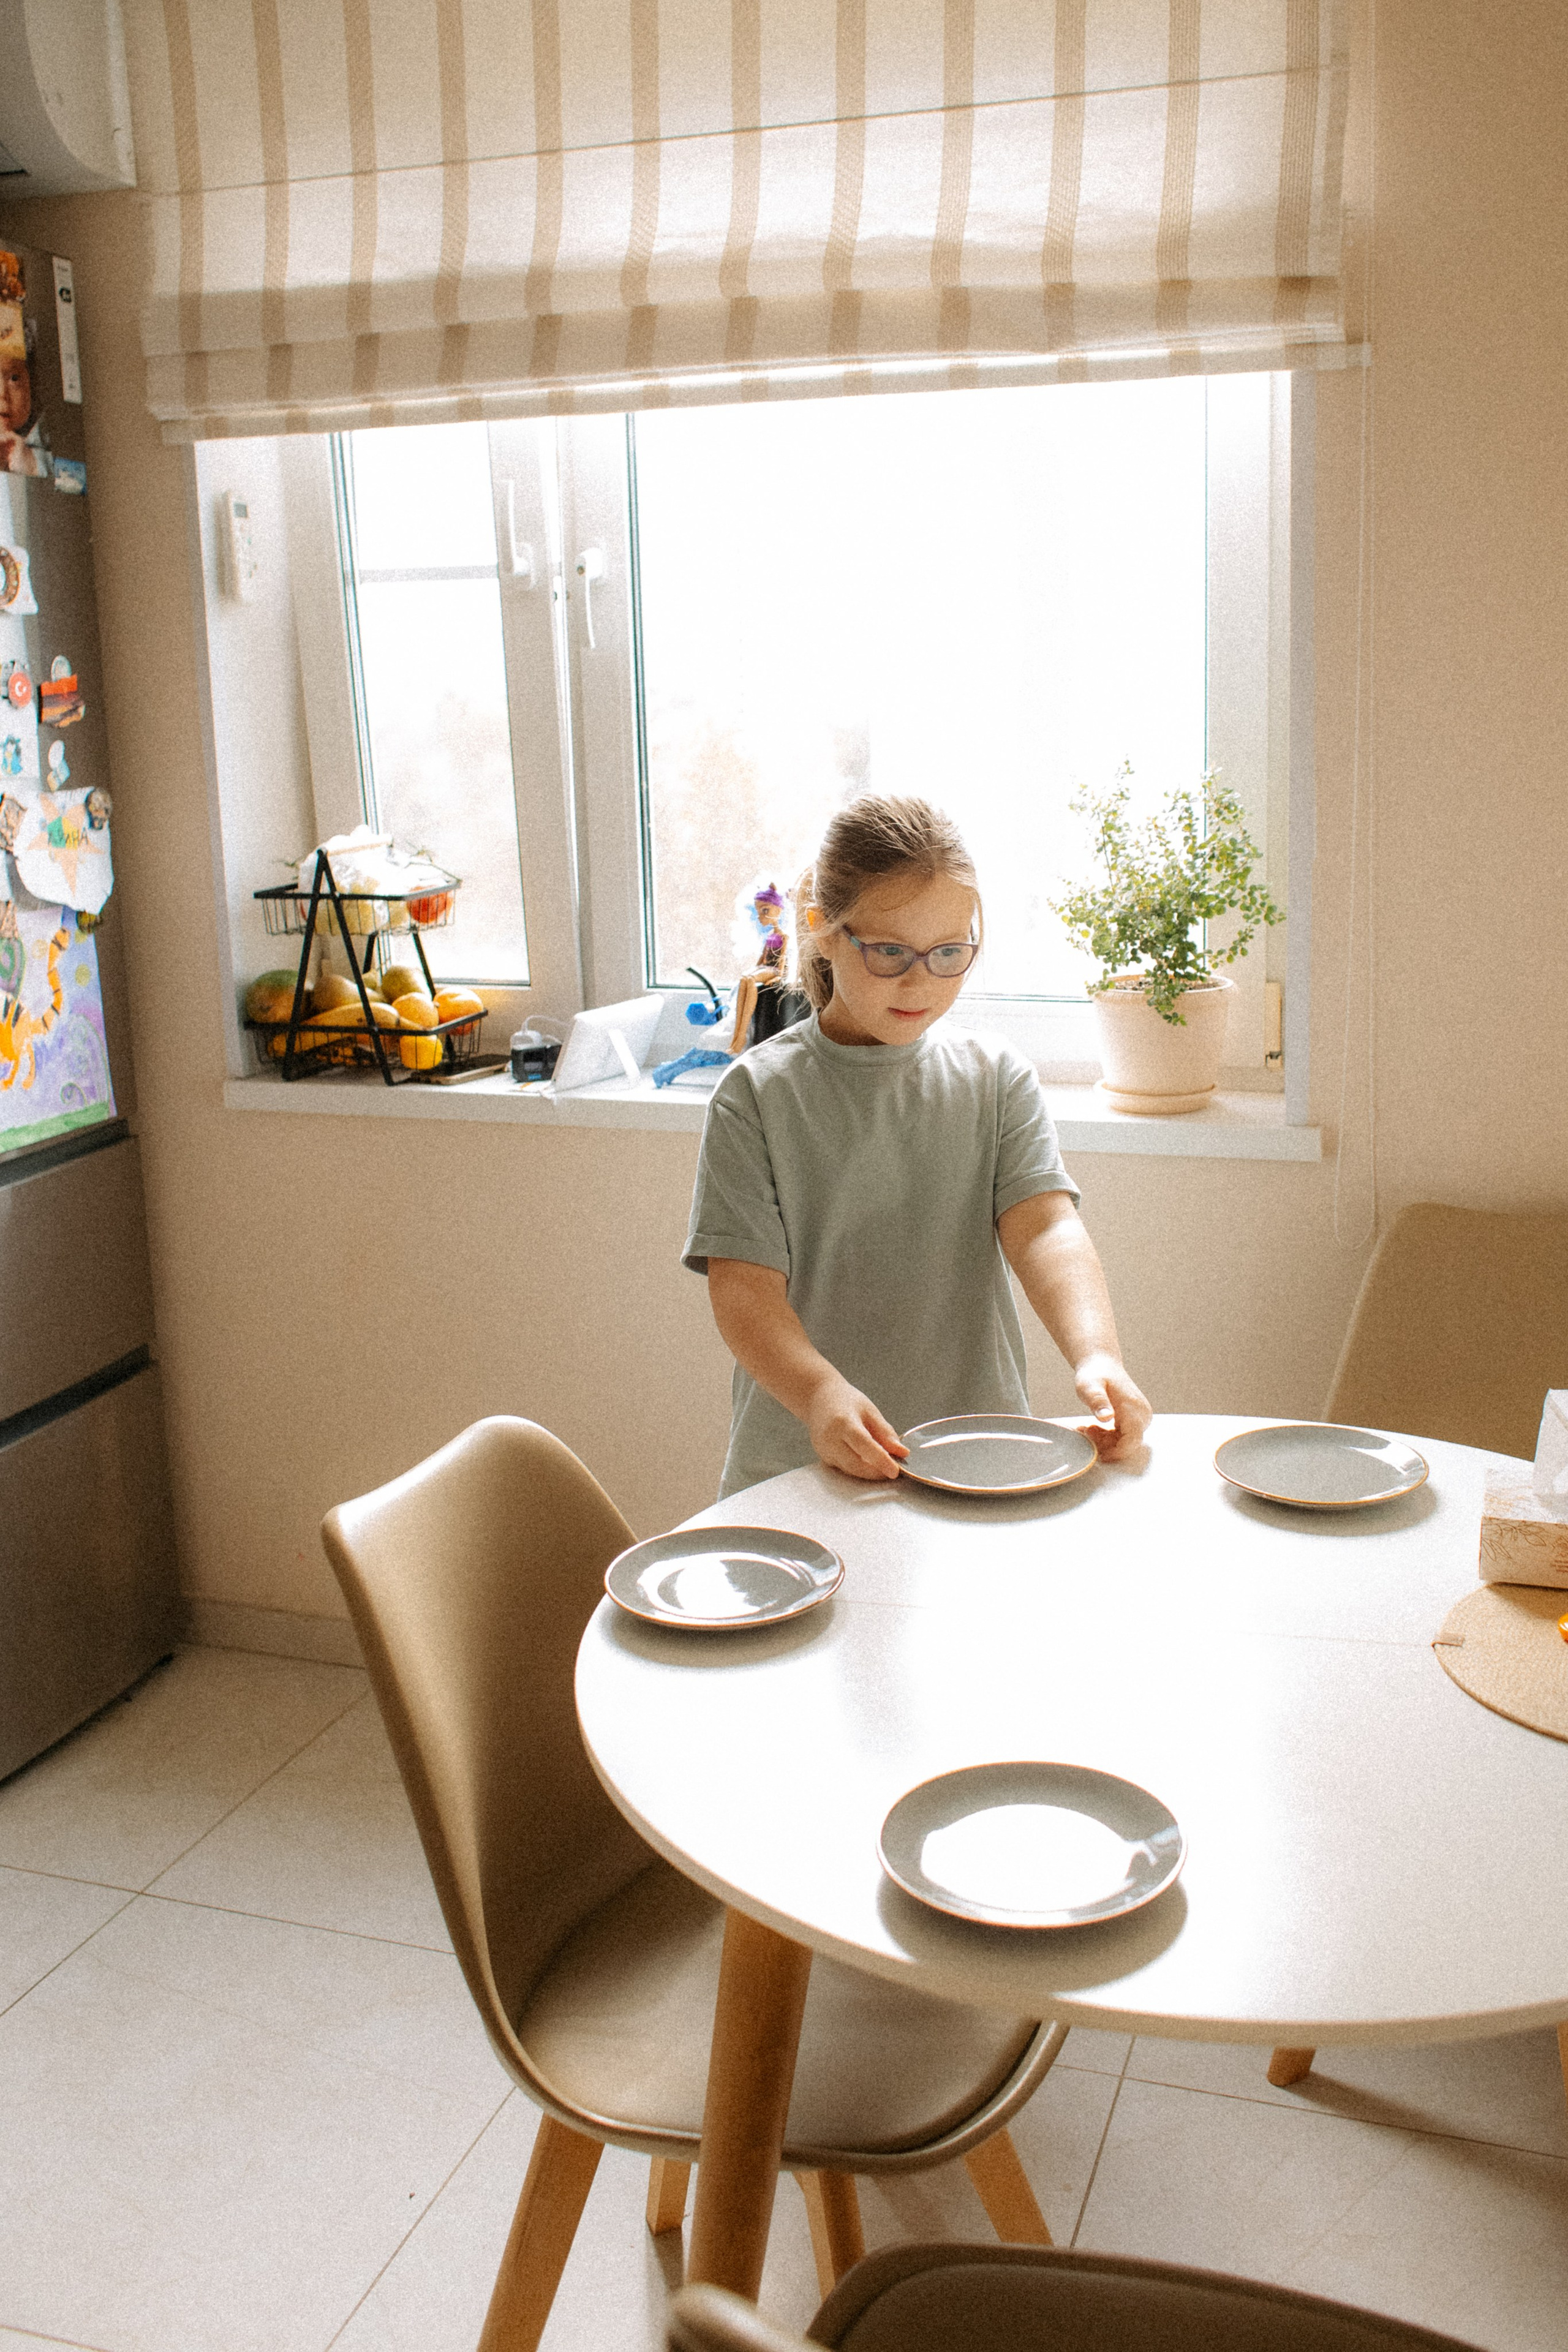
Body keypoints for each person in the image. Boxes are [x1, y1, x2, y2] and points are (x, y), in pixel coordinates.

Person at [683, 793, 1152, 1498]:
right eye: (891, 952)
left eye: (948, 954)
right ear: (823, 934)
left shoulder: (994, 1080)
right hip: (803, 1471)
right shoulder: (757, 1096)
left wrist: (1097, 1355)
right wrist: (817, 1396)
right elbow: (744, 1293)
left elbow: (1046, 1229)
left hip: (975, 1454)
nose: (919, 981)